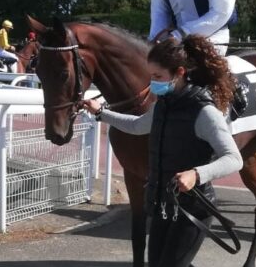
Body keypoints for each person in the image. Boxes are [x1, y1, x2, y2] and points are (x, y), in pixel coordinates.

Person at [83, 35, 243, 267]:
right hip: (163, 206)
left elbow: (234, 159)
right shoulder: (162, 106)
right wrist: (101, 112)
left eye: (158, 77)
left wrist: (196, 174)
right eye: (151, 76)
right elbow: (137, 126)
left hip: (193, 211)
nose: (153, 82)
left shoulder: (204, 112)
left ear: (179, 73)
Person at [148, 0, 236, 56]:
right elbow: (159, 11)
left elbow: (220, 13)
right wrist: (155, 40)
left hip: (212, 36)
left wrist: (180, 34)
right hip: (174, 40)